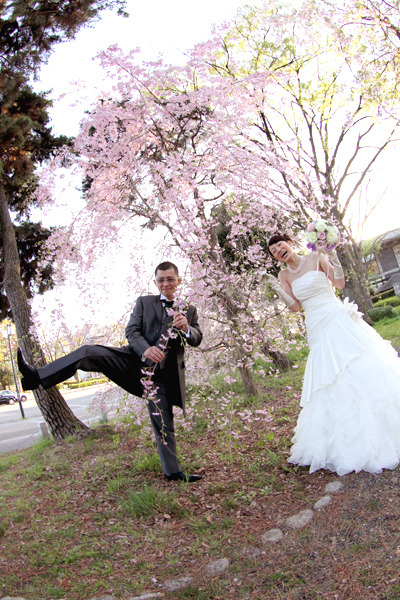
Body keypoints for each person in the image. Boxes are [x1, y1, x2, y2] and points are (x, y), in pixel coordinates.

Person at [17, 261, 203, 483]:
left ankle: (173, 472)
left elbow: (197, 338)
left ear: (178, 281)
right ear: (155, 282)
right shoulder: (144, 303)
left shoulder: (189, 309)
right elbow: (132, 331)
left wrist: (186, 328)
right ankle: (36, 376)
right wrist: (146, 349)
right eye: (161, 279)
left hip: (161, 379)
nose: (166, 284)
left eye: (170, 279)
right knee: (88, 352)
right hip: (132, 363)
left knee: (163, 422)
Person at [266, 233, 400, 476]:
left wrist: (333, 257)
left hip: (337, 317)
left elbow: (338, 284)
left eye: (279, 244)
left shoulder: (316, 257)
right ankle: (343, 433)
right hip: (316, 325)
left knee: (358, 363)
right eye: (273, 250)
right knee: (330, 376)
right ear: (275, 258)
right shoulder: (284, 275)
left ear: (289, 243)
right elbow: (295, 307)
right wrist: (280, 291)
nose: (277, 249)